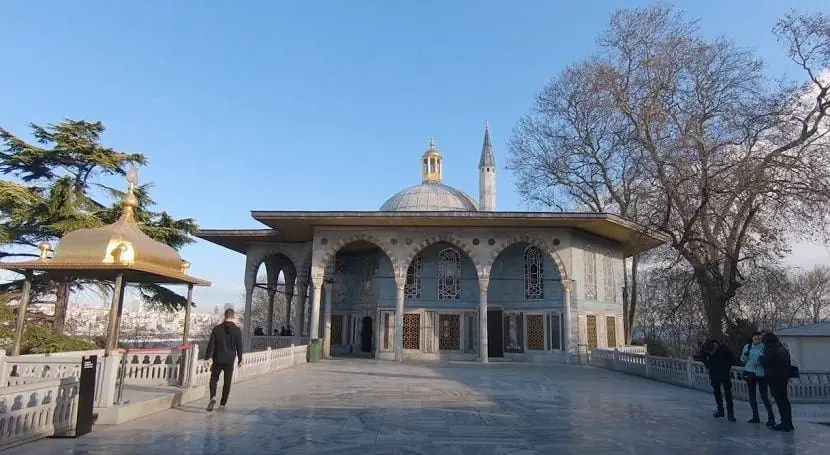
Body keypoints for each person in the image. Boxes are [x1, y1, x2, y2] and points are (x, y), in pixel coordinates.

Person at [204, 308, 244, 412]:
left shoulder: (217, 329)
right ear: (233, 316)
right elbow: (239, 345)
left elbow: (211, 344)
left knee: (214, 378)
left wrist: (207, 357)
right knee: (227, 381)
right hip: (230, 359)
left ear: (224, 316)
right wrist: (240, 358)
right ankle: (222, 404)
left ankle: (213, 396)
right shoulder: (237, 330)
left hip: (218, 358)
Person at [759, 332, 795, 432]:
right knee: (785, 401)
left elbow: (766, 363)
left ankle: (784, 423)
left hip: (774, 378)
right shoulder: (782, 348)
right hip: (783, 377)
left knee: (780, 401)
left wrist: (761, 358)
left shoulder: (769, 349)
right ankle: (789, 422)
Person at [740, 332, 776, 426]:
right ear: (752, 339)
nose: (757, 341)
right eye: (755, 339)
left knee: (764, 396)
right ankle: (755, 416)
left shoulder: (764, 347)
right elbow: (743, 359)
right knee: (752, 396)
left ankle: (771, 418)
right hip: (750, 372)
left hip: (761, 374)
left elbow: (767, 360)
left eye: (759, 339)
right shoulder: (747, 347)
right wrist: (745, 355)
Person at [698, 339, 736, 421]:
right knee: (717, 392)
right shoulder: (706, 348)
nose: (712, 352)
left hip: (724, 373)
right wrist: (708, 365)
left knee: (728, 393)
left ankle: (730, 414)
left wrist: (727, 367)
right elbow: (701, 357)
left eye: (713, 350)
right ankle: (720, 410)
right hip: (714, 373)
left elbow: (731, 359)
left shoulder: (723, 348)